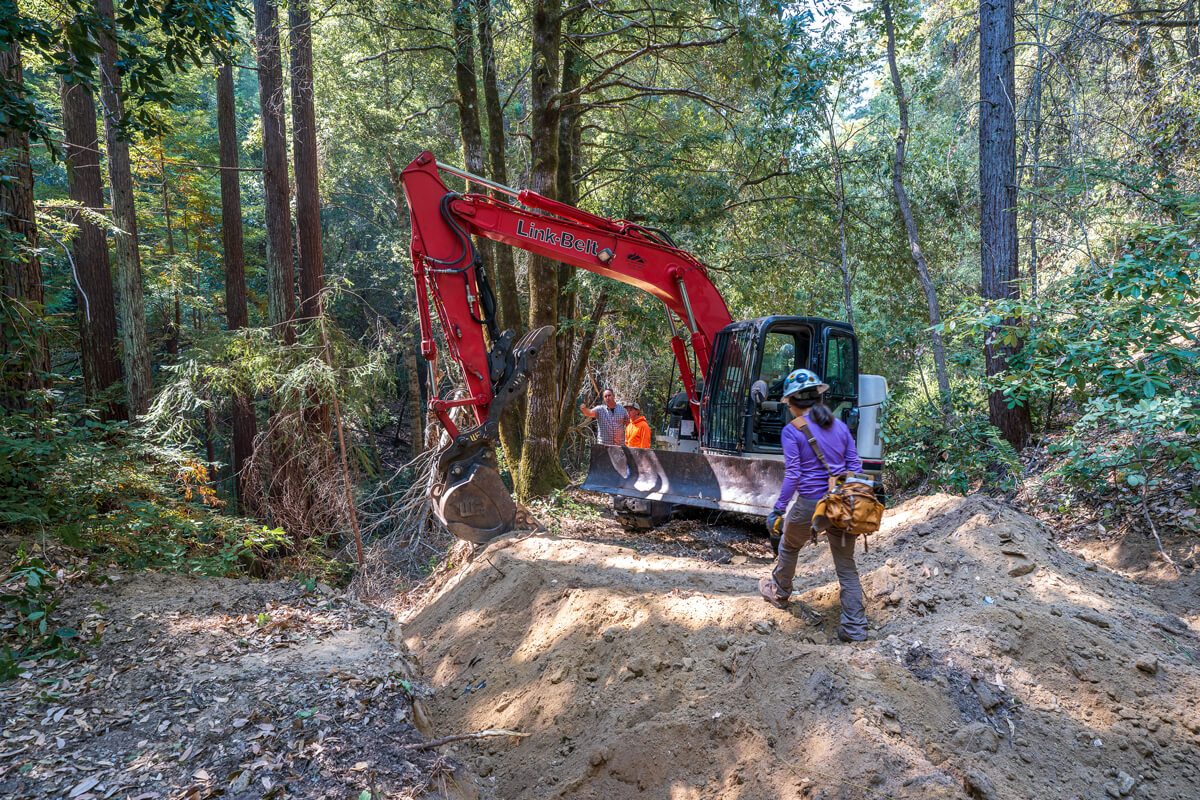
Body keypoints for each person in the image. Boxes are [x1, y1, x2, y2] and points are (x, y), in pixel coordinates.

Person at [759, 368, 868, 643]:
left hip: (809, 506)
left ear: (792, 403)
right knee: (846, 567)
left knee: (789, 544)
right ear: (819, 399)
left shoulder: (791, 431)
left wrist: (779, 508)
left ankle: (781, 593)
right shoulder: (840, 427)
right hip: (842, 505)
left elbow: (794, 475)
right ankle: (855, 627)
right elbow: (856, 467)